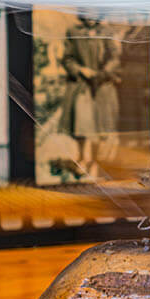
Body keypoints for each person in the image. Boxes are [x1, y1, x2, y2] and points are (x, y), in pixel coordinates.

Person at [61, 14, 120, 178]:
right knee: (80, 122)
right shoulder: (73, 31)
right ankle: (81, 157)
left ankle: (94, 160)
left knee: (98, 125)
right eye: (88, 11)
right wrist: (81, 70)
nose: (91, 15)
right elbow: (67, 59)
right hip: (81, 84)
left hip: (101, 84)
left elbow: (115, 57)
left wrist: (104, 72)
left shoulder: (107, 31)